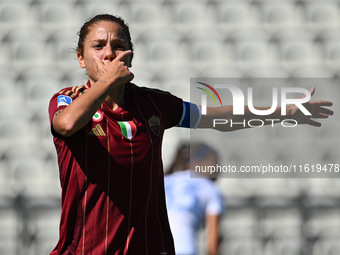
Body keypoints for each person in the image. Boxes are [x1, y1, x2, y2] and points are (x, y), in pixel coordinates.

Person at [48, 14, 333, 255]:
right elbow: (67, 124)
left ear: (130, 55)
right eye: (98, 46)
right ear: (81, 58)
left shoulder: (153, 105)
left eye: (118, 45)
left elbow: (214, 117)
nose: (109, 53)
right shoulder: (67, 100)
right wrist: (108, 79)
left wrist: (282, 111)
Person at [164, 142, 224, 255]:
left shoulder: (164, 181)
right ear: (195, 163)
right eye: (214, 163)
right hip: (186, 250)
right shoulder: (210, 189)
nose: (217, 169)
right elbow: (212, 241)